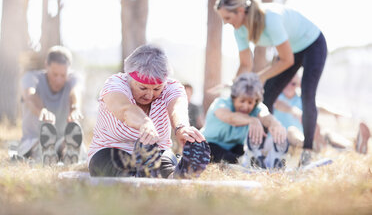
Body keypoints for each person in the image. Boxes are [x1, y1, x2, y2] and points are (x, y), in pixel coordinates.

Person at [215, 0, 327, 166]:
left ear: (240, 10)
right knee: (267, 97)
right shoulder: (239, 31)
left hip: (313, 44)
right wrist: (234, 88)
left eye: (227, 17)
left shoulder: (270, 19)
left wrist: (260, 76)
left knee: (307, 95)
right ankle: (265, 150)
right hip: (291, 51)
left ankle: (307, 152)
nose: (225, 22)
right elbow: (245, 65)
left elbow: (287, 60)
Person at [88, 44, 211, 179]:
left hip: (157, 152)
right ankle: (137, 176)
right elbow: (125, 110)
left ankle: (176, 176)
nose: (150, 95)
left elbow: (177, 108)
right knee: (110, 164)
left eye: (157, 89)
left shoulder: (172, 87)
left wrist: (182, 128)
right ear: (129, 78)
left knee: (164, 162)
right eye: (143, 88)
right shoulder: (115, 84)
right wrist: (145, 123)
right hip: (113, 151)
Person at [203, 72, 288, 169]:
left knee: (244, 153)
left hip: (235, 147)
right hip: (209, 145)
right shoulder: (220, 103)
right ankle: (251, 164)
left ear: (256, 101)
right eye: (242, 101)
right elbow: (230, 118)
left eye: (250, 102)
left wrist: (275, 124)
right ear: (234, 98)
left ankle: (266, 163)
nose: (245, 106)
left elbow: (266, 116)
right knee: (226, 157)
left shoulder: (257, 108)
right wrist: (252, 120)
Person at [18, 46, 84, 166]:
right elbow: (30, 96)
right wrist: (41, 110)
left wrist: (75, 108)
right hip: (33, 139)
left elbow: (75, 92)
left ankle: (67, 153)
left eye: (63, 75)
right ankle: (46, 152)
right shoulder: (30, 77)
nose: (59, 80)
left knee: (65, 143)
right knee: (37, 145)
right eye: (54, 74)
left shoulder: (74, 78)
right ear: (46, 65)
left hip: (62, 138)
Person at [274, 74, 371, 154]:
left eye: (293, 84)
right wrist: (293, 110)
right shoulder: (277, 97)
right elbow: (279, 105)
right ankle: (309, 144)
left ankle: (353, 147)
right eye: (286, 82)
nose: (289, 86)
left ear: (298, 84)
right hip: (286, 140)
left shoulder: (301, 99)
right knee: (291, 131)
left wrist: (335, 113)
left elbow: (319, 107)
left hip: (306, 135)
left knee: (327, 133)